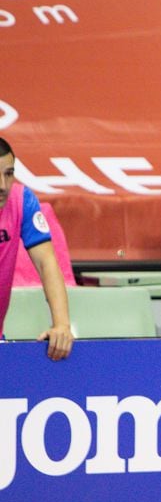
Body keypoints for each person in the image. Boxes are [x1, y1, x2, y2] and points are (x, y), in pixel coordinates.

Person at [0, 137, 73, 360]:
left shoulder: (21, 201)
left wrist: (61, 325)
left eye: (8, 174)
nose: (2, 186)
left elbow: (46, 262)